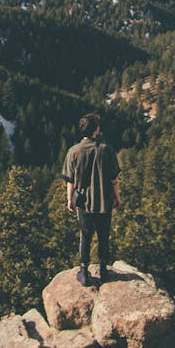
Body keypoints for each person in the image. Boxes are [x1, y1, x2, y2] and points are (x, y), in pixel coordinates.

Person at [62, 112, 121, 287]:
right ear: (96, 129)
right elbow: (114, 179)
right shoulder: (106, 150)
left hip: (83, 202)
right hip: (104, 199)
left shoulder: (73, 152)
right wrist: (117, 197)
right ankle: (103, 270)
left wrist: (69, 200)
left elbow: (70, 181)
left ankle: (83, 271)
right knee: (104, 235)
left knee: (85, 236)